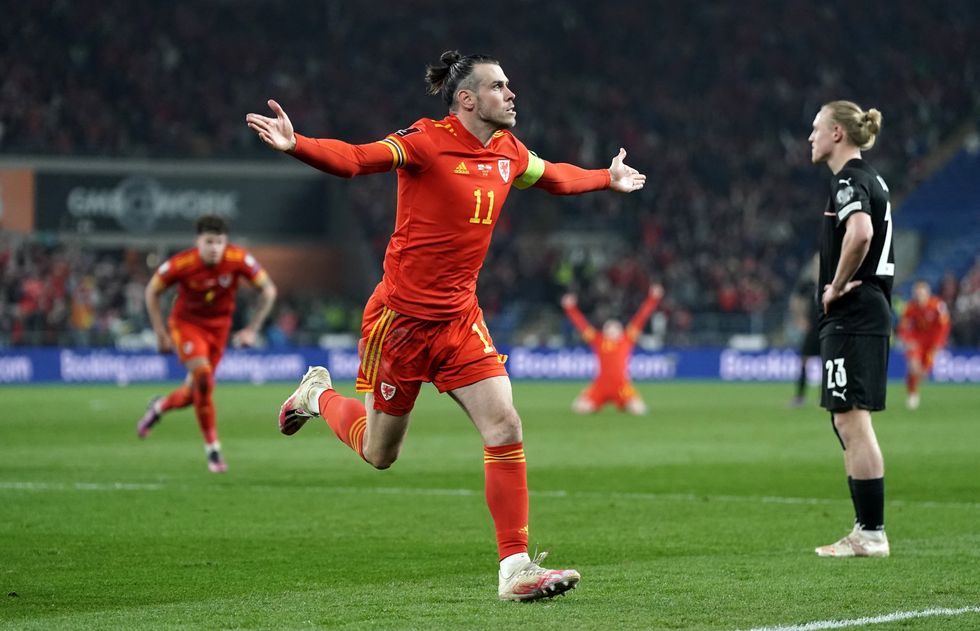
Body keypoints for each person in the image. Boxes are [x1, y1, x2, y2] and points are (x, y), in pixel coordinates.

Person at [245, 50, 645, 601]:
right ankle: (317, 396)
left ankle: (515, 569)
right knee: (380, 454)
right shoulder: (425, 142)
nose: (511, 94)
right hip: (400, 323)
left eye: (510, 86)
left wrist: (606, 176)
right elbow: (358, 159)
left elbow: (553, 176)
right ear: (467, 98)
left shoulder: (507, 151)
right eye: (499, 86)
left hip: (459, 319)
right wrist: (300, 145)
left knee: (505, 426)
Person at [808, 100, 894, 558]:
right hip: (865, 316)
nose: (811, 137)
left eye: (816, 128)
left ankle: (871, 533)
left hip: (855, 315)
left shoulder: (849, 181)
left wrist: (835, 287)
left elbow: (859, 233)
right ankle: (867, 529)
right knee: (846, 421)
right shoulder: (870, 179)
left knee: (851, 421)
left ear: (838, 134)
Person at [136, 215, 277, 473]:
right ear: (198, 241)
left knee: (195, 393)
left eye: (219, 242)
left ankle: (158, 407)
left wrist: (251, 330)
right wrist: (160, 333)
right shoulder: (182, 263)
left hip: (219, 331)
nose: (214, 247)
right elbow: (152, 291)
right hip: (187, 326)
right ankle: (213, 450)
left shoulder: (238, 259)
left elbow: (268, 290)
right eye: (209, 241)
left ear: (226, 242)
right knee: (203, 377)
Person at [561, 284, 663, 415]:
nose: (613, 330)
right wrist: (570, 308)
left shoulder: (627, 338)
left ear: (620, 330)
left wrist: (653, 298)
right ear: (605, 330)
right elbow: (582, 325)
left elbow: (641, 317)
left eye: (616, 327)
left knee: (640, 410)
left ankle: (623, 404)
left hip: (621, 386)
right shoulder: (598, 340)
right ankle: (613, 403)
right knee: (579, 408)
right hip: (601, 386)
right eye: (609, 327)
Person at [897, 280, 950, 410]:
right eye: (917, 293)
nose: (919, 296)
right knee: (913, 367)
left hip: (932, 344)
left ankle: (914, 386)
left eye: (922, 293)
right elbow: (903, 327)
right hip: (916, 342)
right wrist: (907, 340)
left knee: (923, 373)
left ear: (928, 293)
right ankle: (912, 394)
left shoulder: (937, 305)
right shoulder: (910, 308)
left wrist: (939, 342)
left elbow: (944, 325)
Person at [788, 254, 821, 408]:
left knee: (828, 363)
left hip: (826, 328)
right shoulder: (808, 284)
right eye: (816, 263)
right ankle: (800, 397)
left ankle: (825, 397)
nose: (817, 266)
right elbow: (795, 300)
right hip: (812, 329)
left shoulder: (832, 282)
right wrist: (799, 318)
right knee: (804, 361)